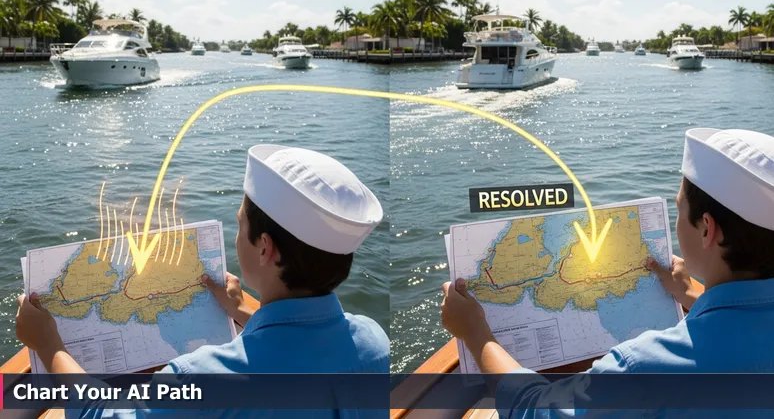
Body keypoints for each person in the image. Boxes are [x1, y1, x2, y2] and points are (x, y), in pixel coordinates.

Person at [16, 144, 389, 416]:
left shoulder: (200, 378)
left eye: (241, 224)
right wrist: (242, 308)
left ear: (265, 248)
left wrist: (51, 347)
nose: (237, 233)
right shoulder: (373, 343)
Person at [441, 128, 774, 416]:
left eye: (679, 208)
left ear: (706, 229)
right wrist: (691, 293)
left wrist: (476, 334)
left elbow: (536, 410)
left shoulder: (643, 368)